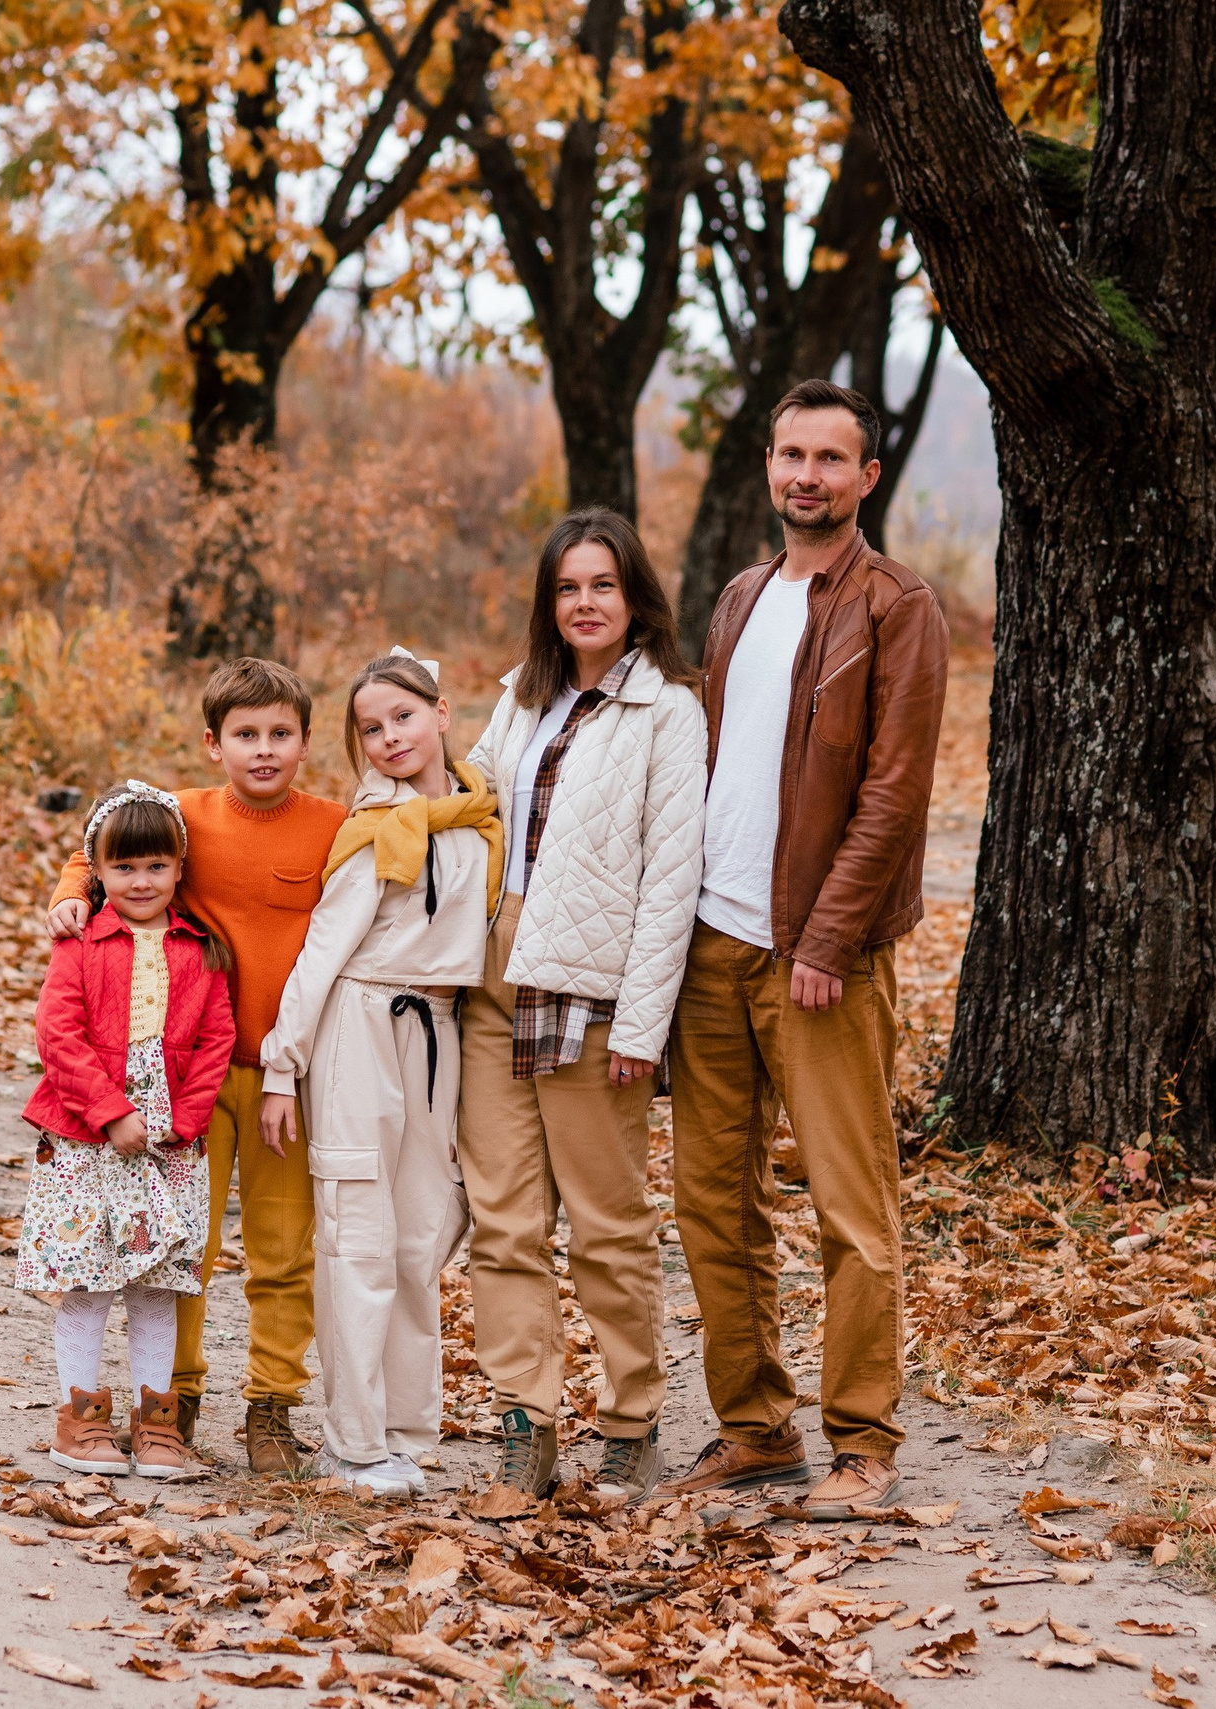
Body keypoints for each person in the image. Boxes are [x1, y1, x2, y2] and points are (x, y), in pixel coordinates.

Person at [664, 379, 949, 1517]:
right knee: (710, 1203)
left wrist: (828, 934)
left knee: (850, 1205)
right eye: (792, 454)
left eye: (832, 459)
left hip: (818, 956)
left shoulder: (896, 604)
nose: (807, 476)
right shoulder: (740, 597)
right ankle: (756, 1427)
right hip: (713, 945)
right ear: (769, 464)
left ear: (867, 477)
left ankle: (865, 1444)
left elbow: (895, 790)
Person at [45, 658, 346, 1475]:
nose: (264, 749)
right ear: (215, 744)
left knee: (284, 1250)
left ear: (306, 742)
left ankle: (272, 1404)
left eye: (280, 733)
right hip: (186, 1082)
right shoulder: (186, 816)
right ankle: (172, 1402)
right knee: (183, 1247)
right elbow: (103, 847)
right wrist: (72, 889)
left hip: (286, 1074)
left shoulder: (331, 825)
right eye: (246, 734)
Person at [461, 508, 706, 1501]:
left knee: (606, 1227)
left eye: (603, 584)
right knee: (503, 1224)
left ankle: (632, 1422)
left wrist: (643, 1024)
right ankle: (525, 1422)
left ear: (635, 595)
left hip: (591, 994)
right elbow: (468, 803)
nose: (585, 603)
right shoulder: (522, 697)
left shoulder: (668, 712)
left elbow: (671, 881)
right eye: (567, 587)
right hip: (493, 984)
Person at [258, 651, 501, 1499]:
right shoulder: (379, 826)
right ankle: (352, 1440)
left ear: (442, 712)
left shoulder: (478, 811)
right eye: (371, 727)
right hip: (361, 1024)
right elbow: (325, 949)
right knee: (357, 1228)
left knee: (418, 1234)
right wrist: (282, 1066)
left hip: (437, 1029)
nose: (391, 736)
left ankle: (403, 1430)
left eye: (404, 715)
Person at [17, 784, 236, 1478]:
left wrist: (186, 1119)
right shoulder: (81, 942)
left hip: (170, 1141)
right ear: (98, 871)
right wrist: (109, 1111)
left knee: (156, 1285)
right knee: (87, 1282)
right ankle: (79, 1419)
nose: (141, 881)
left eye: (156, 866)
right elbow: (58, 1032)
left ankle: (157, 1424)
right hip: (87, 1135)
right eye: (124, 867)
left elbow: (216, 1039)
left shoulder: (200, 948)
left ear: (179, 868)